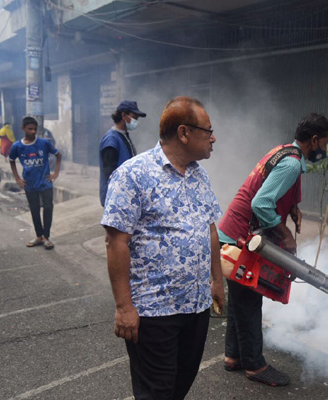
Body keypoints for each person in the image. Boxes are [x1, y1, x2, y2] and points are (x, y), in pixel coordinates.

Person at [101, 96, 225, 400]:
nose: (214, 138)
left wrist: (217, 280)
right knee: (156, 391)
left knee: (180, 384)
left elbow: (210, 228)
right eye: (208, 131)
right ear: (184, 133)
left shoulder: (200, 174)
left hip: (195, 305)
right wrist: (123, 307)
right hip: (155, 311)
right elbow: (116, 242)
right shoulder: (133, 175)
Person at [217, 113, 328, 387]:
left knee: (239, 297)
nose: (326, 150)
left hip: (233, 233)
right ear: (314, 140)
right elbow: (261, 203)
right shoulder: (292, 164)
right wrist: (285, 235)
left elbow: (271, 186)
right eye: (326, 144)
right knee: (248, 298)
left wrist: (292, 207)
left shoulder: (283, 151)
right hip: (240, 236)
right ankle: (255, 366)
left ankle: (233, 356)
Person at [8, 117, 62, 250]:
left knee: (48, 208)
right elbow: (11, 160)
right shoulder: (17, 146)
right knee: (34, 210)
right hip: (29, 184)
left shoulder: (43, 143)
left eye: (35, 129)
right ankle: (39, 236)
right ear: (23, 129)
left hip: (45, 183)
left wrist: (55, 173)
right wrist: (17, 178)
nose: (33, 132)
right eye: (29, 129)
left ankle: (47, 237)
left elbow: (58, 155)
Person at [99, 100, 146, 206]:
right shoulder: (111, 139)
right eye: (134, 117)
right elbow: (109, 173)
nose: (136, 121)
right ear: (124, 115)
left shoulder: (123, 136)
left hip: (125, 196)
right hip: (116, 198)